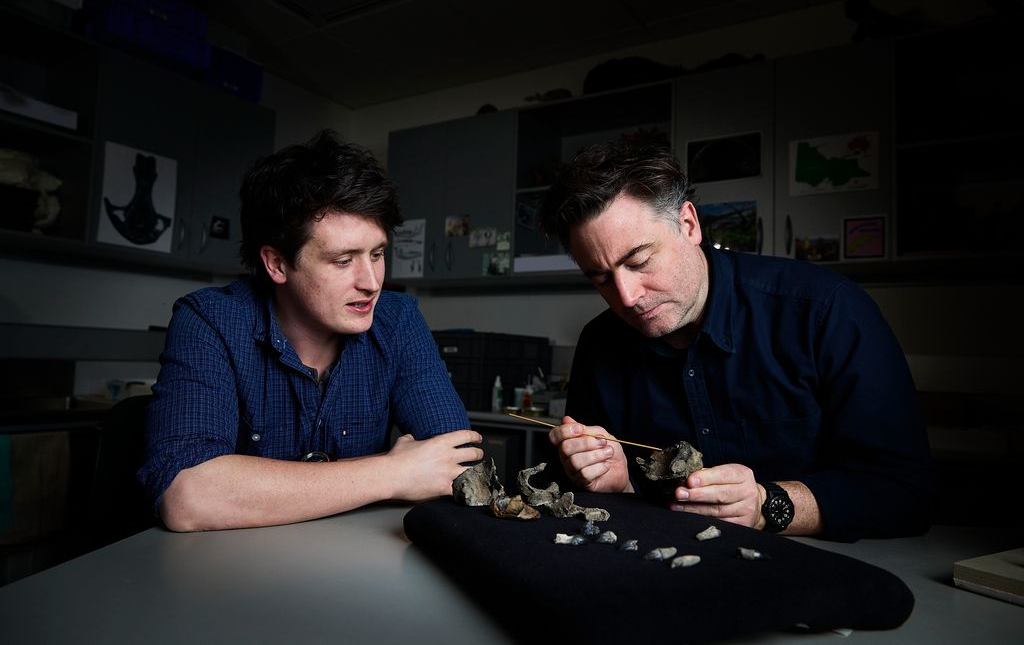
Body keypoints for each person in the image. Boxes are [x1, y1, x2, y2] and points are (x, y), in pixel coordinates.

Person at [539, 140, 932, 542]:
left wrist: (766, 505)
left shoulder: (826, 311)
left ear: (689, 224)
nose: (626, 297)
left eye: (639, 261)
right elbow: (592, 504)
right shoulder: (599, 342)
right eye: (600, 278)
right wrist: (614, 485)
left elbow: (906, 493)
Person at [139, 130, 482, 532]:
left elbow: (460, 466)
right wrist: (392, 473)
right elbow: (188, 497)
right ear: (277, 264)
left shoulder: (398, 319)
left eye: (377, 254)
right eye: (342, 261)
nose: (372, 282)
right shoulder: (209, 321)